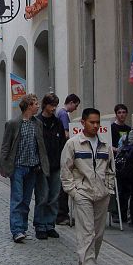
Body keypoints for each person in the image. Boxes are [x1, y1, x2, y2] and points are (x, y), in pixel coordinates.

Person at [60, 108, 115, 265]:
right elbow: (66, 170)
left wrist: (109, 189)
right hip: (82, 193)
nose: (96, 125)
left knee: (98, 235)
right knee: (87, 233)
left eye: (98, 122)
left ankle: (83, 264)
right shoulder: (73, 144)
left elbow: (110, 170)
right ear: (83, 123)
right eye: (92, 122)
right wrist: (73, 191)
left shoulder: (105, 146)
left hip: (101, 194)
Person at [0, 94, 49, 243]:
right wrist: (4, 166)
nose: (38, 106)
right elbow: (5, 146)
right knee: (17, 198)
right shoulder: (13, 123)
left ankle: (23, 228)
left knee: (26, 200)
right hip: (18, 167)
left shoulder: (37, 123)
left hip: (33, 168)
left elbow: (40, 145)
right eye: (35, 104)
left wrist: (42, 163)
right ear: (28, 106)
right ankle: (16, 230)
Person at [33, 93, 66, 240]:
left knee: (54, 196)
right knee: (42, 196)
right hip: (41, 166)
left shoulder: (57, 123)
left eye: (55, 105)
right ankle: (40, 225)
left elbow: (62, 144)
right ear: (45, 105)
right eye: (52, 105)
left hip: (55, 164)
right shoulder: (37, 122)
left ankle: (50, 225)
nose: (54, 108)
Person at [56, 94, 80, 225]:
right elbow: (66, 134)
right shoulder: (64, 114)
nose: (75, 109)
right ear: (71, 102)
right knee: (64, 184)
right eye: (75, 105)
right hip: (64, 153)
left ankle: (62, 213)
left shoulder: (60, 113)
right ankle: (62, 214)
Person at [109, 104, 131, 223]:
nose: (122, 115)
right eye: (119, 112)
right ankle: (115, 212)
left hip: (126, 163)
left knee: (126, 190)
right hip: (116, 162)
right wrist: (117, 149)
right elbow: (108, 144)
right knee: (118, 189)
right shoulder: (112, 128)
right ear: (116, 114)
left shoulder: (129, 129)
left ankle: (123, 213)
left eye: (124, 112)